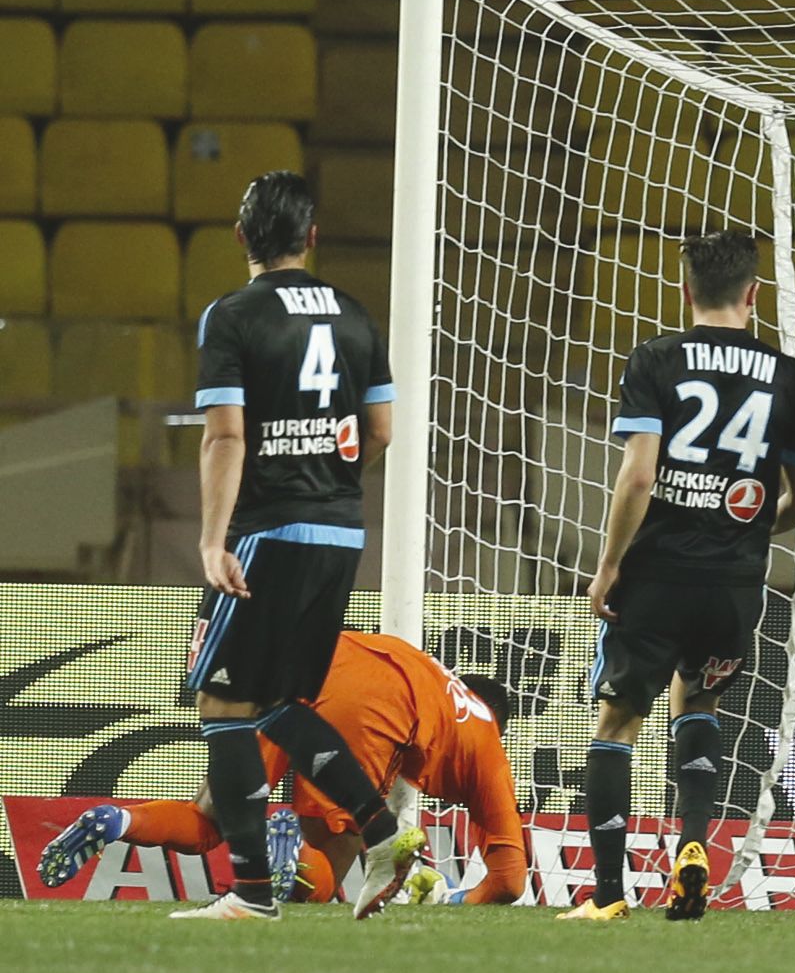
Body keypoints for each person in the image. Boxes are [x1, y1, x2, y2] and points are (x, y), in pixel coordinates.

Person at [562, 231, 795, 924]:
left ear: (685, 291)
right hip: (734, 582)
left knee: (616, 723)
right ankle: (694, 844)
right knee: (698, 706)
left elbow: (638, 473)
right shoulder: (786, 374)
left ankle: (609, 894)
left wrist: (610, 562)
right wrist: (742, 529)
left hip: (655, 573)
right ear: (752, 295)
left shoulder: (654, 359)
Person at [177, 171, 414, 921]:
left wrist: (214, 538)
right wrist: (328, 484)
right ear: (312, 238)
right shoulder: (354, 315)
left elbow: (224, 433)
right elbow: (380, 432)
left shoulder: (233, 315)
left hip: (268, 528)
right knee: (277, 702)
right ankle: (380, 830)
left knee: (221, 697)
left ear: (242, 237)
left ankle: (249, 892)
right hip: (340, 529)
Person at [40, 632, 526, 906]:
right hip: (369, 702)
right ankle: (291, 849)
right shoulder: (486, 743)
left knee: (209, 818)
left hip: (301, 664)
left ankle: (117, 820)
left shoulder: (431, 673)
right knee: (328, 860)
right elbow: (508, 881)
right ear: (498, 723)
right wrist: (452, 902)